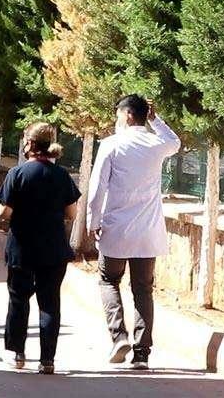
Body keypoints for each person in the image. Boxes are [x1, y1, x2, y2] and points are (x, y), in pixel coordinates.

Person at [87, 95, 181, 370]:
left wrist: (93, 221)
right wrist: (156, 120)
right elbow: (175, 142)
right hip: (147, 232)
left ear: (128, 115)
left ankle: (119, 337)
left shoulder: (111, 145)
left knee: (108, 280)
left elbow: (97, 187)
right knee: (143, 289)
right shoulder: (156, 144)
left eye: (118, 114)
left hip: (115, 229)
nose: (116, 119)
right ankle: (141, 353)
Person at [0, 123, 79, 374]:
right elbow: (72, 213)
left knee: (18, 299)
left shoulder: (18, 173)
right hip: (53, 249)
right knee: (50, 302)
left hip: (22, 247)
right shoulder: (62, 175)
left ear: (30, 144)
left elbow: (4, 211)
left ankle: (17, 352)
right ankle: (47, 360)